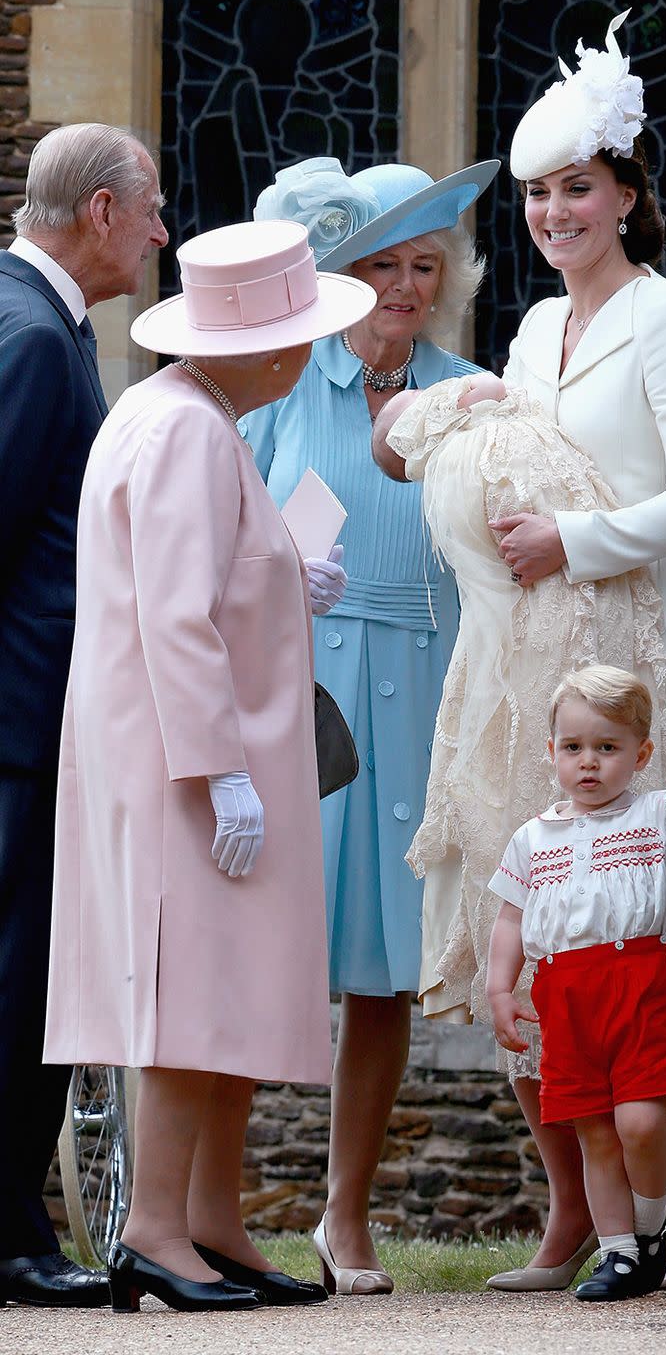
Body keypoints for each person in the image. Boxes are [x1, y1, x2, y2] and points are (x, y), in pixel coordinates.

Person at [380, 12, 666, 1290]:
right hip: (507, 656)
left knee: (605, 942)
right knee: (515, 931)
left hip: (609, 656)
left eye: (576, 187)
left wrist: (574, 540)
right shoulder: (530, 334)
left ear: (628, 192)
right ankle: (568, 1216)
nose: (552, 212)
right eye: (534, 193)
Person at [43, 219, 375, 1312]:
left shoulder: (183, 415)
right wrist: (217, 769)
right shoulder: (186, 429)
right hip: (189, 759)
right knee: (190, 989)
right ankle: (152, 1230)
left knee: (227, 988)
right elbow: (175, 618)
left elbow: (210, 576)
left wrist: (287, 576)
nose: (306, 356)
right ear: (262, 347)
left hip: (203, 749)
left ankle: (212, 1218)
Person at [242, 155, 498, 1294]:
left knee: (387, 976)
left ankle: (344, 1221)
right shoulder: (282, 388)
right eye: (383, 263)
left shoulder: (473, 392)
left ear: (449, 277)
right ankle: (210, 1204)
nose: (404, 285)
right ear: (342, 273)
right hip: (305, 701)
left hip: (435, 697)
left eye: (424, 265)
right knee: (258, 955)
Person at [0, 123, 167, 1309]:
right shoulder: (29, 339)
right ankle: (9, 1233)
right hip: (16, 729)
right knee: (17, 984)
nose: (164, 234)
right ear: (101, 212)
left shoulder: (37, 320)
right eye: (151, 210)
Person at [486, 666, 666, 1301]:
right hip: (564, 998)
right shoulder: (533, 838)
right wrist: (501, 989)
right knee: (594, 1134)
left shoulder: (657, 816)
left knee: (639, 1121)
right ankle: (617, 1255)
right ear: (551, 752)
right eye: (574, 748)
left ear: (640, 754)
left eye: (608, 748)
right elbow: (510, 918)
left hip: (637, 989)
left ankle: (652, 1230)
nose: (589, 763)